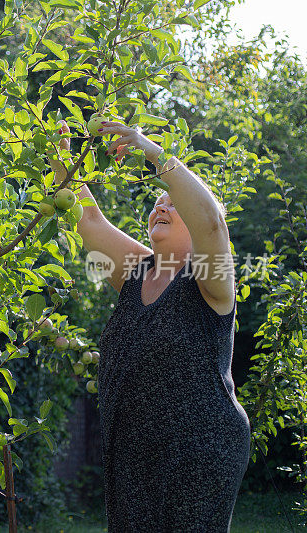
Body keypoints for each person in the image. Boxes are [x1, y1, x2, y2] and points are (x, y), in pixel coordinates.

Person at [51, 119, 251, 530]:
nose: (161, 206)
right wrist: (57, 156)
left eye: (172, 203)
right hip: (133, 450)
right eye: (157, 202)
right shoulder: (136, 272)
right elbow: (86, 221)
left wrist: (149, 149)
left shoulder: (210, 278)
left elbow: (212, 220)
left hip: (200, 447)